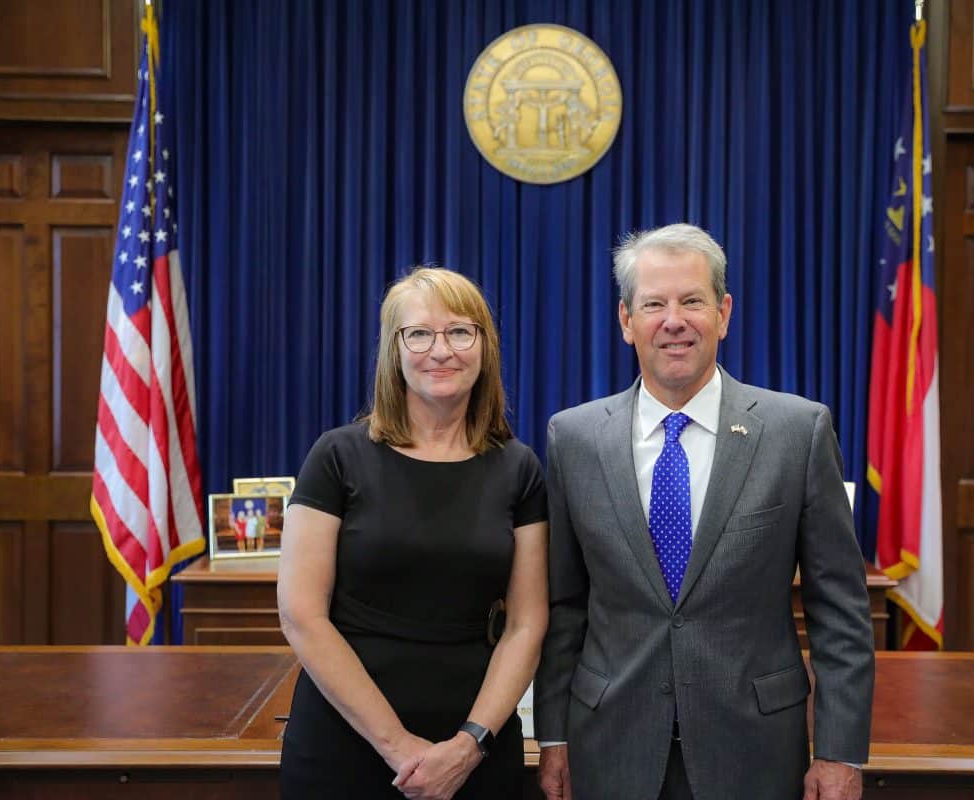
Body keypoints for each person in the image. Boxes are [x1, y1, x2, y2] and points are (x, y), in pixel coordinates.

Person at [534, 224, 874, 800]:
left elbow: (839, 609)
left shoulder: (798, 432)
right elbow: (565, 607)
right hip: (610, 744)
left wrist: (840, 751)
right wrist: (553, 738)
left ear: (724, 312)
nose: (674, 320)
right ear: (625, 320)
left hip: (755, 747)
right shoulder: (575, 438)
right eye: (654, 304)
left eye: (692, 301)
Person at [278, 267, 549, 799]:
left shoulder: (519, 468)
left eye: (460, 332)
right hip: (345, 743)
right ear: (394, 350)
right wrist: (398, 746)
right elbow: (301, 615)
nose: (440, 350)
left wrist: (469, 745)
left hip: (476, 750)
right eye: (419, 333)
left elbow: (527, 624)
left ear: (484, 347)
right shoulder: (336, 456)